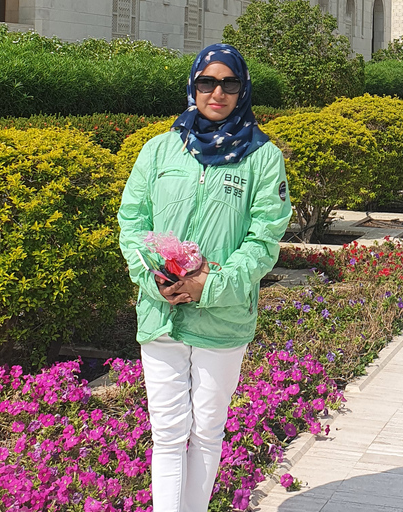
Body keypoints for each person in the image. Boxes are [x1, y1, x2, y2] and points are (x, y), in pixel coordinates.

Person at [117, 43, 291, 512]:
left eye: (229, 83)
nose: (217, 92)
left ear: (243, 89)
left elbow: (263, 240)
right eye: (206, 83)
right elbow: (132, 221)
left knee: (207, 429)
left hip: (222, 317)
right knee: (168, 431)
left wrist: (207, 285)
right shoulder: (159, 149)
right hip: (161, 312)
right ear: (192, 86)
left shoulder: (262, 156)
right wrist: (153, 276)